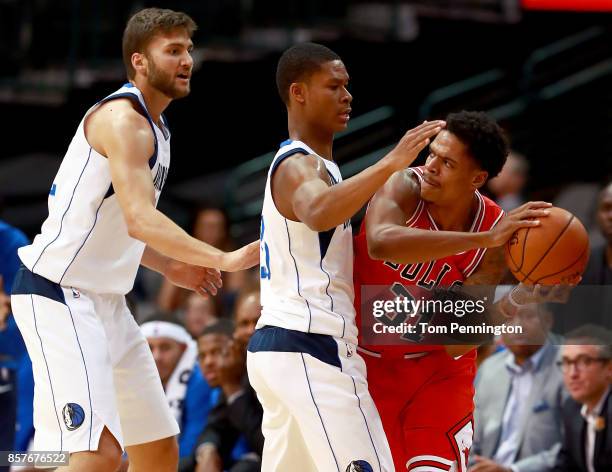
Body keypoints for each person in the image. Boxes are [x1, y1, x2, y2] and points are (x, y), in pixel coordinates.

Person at [9, 8, 258, 472]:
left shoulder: (158, 130)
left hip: (107, 301)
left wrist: (167, 265)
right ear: (140, 61)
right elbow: (142, 219)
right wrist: (222, 256)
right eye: (174, 51)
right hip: (58, 294)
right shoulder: (123, 121)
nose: (187, 60)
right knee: (97, 456)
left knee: (157, 449)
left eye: (189, 49)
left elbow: (117, 221)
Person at [247, 41, 445, 472]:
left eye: (347, 86)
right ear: (298, 93)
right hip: (311, 345)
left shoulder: (322, 169)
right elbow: (318, 212)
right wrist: (392, 163)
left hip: (282, 346)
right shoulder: (300, 166)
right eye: (333, 86)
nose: (347, 95)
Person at [353, 110, 554, 471]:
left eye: (446, 162)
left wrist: (521, 294)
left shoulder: (494, 229)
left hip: (437, 373)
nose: (430, 166)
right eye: (431, 154)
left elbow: (459, 341)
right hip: (364, 363)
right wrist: (483, 239)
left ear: (476, 178)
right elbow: (380, 243)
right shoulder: (403, 185)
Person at [470, 303, 564, 472]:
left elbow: (573, 448)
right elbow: (470, 436)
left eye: (528, 316)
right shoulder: (489, 369)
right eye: (509, 318)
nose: (518, 326)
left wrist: (512, 470)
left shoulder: (569, 368)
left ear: (548, 321)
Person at [192, 320, 263, 472]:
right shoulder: (230, 381)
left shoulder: (254, 376)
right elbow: (216, 427)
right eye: (202, 356)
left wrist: (232, 387)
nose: (209, 362)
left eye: (217, 352)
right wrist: (208, 451)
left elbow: (266, 446)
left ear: (235, 347)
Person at [141, 318, 215, 460]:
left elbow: (191, 445)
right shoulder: (131, 378)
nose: (156, 357)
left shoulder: (198, 381)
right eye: (149, 348)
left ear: (183, 349)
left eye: (165, 348)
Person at [553, 326, 612, 472]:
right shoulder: (572, 408)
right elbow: (566, 464)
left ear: (609, 368)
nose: (573, 374)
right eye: (566, 362)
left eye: (584, 362)